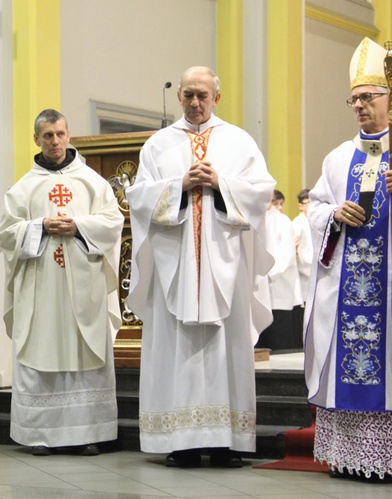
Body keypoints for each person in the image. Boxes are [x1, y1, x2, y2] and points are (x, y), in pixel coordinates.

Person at [305, 37, 392, 481]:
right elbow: (315, 208)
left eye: (369, 97)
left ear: (391, 97)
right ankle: (355, 456)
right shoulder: (337, 158)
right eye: (355, 99)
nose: (361, 106)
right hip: (348, 288)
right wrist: (332, 215)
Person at [126, 66, 275, 468]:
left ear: (216, 98)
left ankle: (228, 441)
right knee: (177, 348)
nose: (195, 103)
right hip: (175, 267)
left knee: (227, 348)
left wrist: (221, 184)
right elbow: (138, 198)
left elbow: (262, 194)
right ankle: (181, 440)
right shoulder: (157, 145)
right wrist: (178, 186)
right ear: (179, 97)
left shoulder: (239, 142)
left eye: (202, 96)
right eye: (188, 95)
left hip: (225, 268)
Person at [0, 109, 123, 457]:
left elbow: (113, 223)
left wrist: (79, 227)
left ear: (69, 135)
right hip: (41, 288)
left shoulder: (92, 182)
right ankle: (41, 433)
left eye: (60, 134)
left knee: (85, 350)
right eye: (47, 135)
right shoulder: (23, 187)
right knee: (41, 348)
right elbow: (6, 234)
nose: (55, 142)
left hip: (84, 288)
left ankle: (87, 432)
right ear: (36, 139)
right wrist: (38, 227)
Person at [256, 190, 303, 351]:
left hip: (277, 286)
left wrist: (266, 275)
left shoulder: (282, 221)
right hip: (258, 289)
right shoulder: (254, 218)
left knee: (278, 343)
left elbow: (287, 255)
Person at [291, 188, 312, 300]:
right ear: (300, 206)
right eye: (308, 203)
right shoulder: (297, 223)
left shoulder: (315, 221)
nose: (312, 206)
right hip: (305, 272)